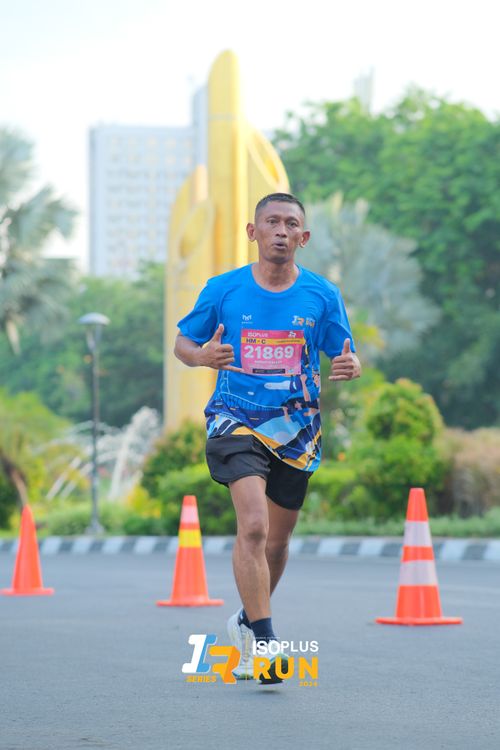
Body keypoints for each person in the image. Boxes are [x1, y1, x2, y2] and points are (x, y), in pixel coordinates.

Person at [174, 193, 361, 684]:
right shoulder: (223, 289)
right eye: (272, 222)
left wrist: (350, 364)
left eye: (291, 224)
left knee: (276, 543)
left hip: (297, 429)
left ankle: (246, 621)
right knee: (253, 526)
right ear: (252, 232)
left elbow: (343, 351)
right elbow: (183, 342)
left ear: (304, 237)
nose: (281, 230)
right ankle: (265, 642)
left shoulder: (322, 295)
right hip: (235, 418)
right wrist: (202, 356)